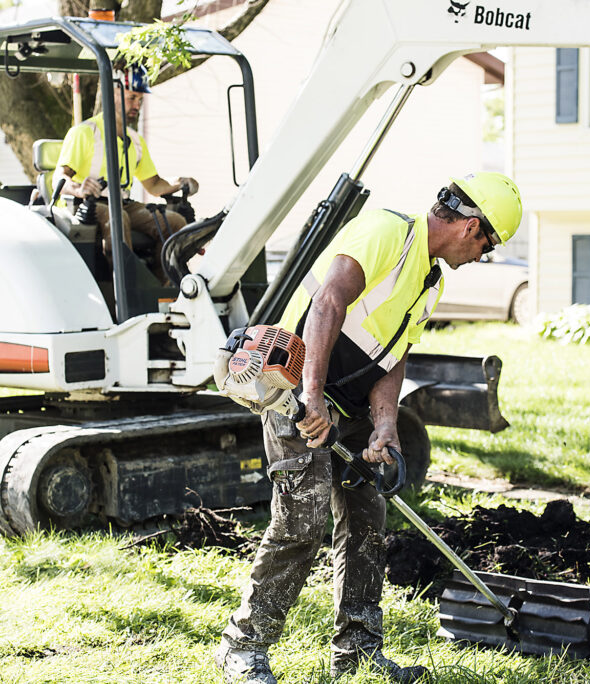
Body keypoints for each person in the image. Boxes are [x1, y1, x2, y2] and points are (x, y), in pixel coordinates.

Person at [215, 173, 523, 683]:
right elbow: (328, 301)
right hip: (295, 382)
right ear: (472, 227)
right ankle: (243, 644)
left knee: (366, 521)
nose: (482, 255)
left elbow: (394, 353)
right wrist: (309, 394)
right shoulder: (388, 232)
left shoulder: (431, 280)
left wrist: (385, 427)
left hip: (353, 405)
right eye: (488, 244)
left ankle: (357, 650)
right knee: (302, 521)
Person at [53, 81, 198, 283]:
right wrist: (79, 189)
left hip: (122, 204)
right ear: (112, 95)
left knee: (174, 222)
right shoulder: (86, 132)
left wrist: (181, 182)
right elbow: (58, 178)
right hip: (85, 206)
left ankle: (163, 291)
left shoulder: (135, 141)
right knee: (118, 218)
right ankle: (126, 290)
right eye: (131, 98)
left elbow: (154, 184)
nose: (137, 105)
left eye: (140, 99)